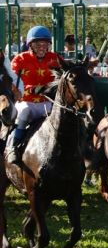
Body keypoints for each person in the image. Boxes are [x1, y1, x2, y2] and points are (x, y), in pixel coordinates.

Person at [6, 26, 63, 164]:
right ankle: (12, 148)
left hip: (47, 101)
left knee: (64, 116)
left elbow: (67, 72)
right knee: (24, 112)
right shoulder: (20, 59)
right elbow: (9, 80)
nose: (42, 47)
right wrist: (30, 89)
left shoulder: (55, 58)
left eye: (45, 44)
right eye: (38, 44)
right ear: (30, 45)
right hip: (26, 102)